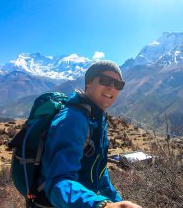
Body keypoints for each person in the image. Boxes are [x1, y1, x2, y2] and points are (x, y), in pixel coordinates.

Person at [40, 61, 141, 208]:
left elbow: (99, 172)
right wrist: (101, 205)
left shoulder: (97, 119)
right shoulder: (73, 119)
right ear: (88, 83)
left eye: (118, 84)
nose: (112, 87)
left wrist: (117, 202)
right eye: (105, 80)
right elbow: (59, 183)